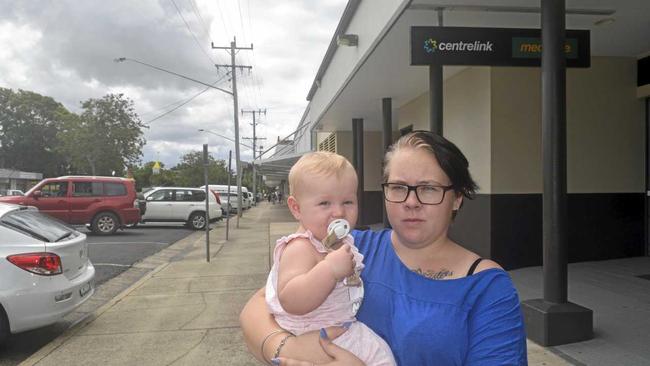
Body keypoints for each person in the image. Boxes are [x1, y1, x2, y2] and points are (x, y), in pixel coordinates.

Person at [240, 131, 528, 365]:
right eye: (398, 187)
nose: (410, 201)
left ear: (457, 199)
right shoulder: (351, 248)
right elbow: (258, 308)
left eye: (428, 188)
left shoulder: (487, 289)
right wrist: (287, 348)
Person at [263, 151, 395, 365]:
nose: (339, 212)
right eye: (325, 203)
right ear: (296, 208)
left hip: (337, 328)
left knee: (381, 355)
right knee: (380, 357)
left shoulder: (340, 243)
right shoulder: (300, 247)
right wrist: (329, 270)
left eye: (348, 202)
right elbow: (290, 299)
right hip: (313, 331)